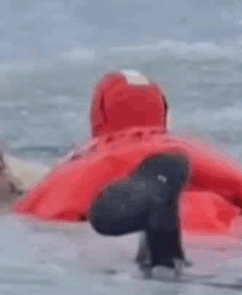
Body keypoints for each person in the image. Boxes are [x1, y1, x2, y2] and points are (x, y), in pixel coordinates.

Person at [13, 70, 242, 274]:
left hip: (154, 220)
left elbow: (46, 210)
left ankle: (159, 234)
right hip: (220, 222)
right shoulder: (194, 149)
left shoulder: (89, 158)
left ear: (99, 115)